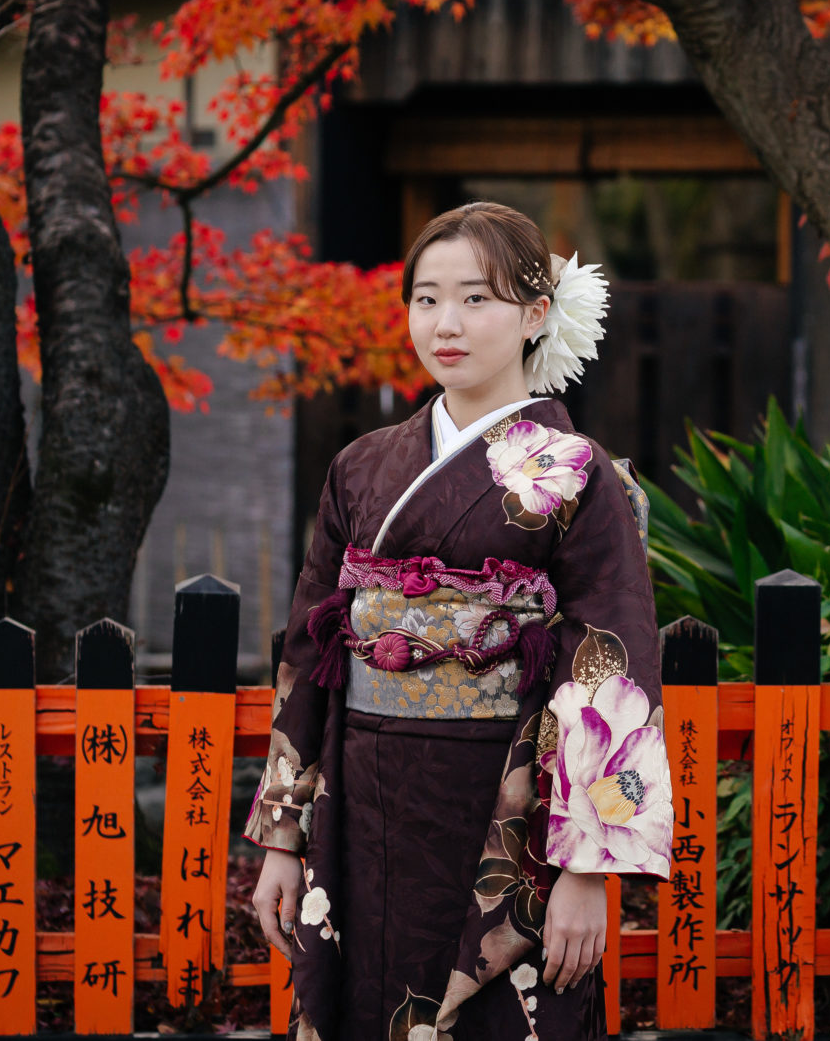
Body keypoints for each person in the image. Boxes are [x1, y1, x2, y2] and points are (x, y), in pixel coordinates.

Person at [247, 202, 672, 1041]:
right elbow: (309, 649)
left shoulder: (578, 474)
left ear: (535, 313)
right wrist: (284, 839)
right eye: (427, 298)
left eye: (477, 298)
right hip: (363, 793)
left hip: (504, 804)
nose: (446, 324)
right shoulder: (360, 467)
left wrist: (587, 869)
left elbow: (609, 665)